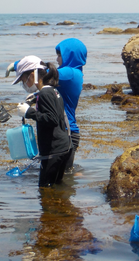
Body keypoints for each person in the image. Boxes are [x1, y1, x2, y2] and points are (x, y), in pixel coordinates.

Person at [6, 38, 87, 171]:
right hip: (64, 129)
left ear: (71, 54)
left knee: (62, 175)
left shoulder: (70, 73)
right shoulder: (70, 74)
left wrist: (17, 65)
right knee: (65, 173)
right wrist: (36, 96)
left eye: (60, 55)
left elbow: (42, 71)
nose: (57, 59)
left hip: (67, 131)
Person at [12, 56, 72, 187]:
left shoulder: (45, 94)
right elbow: (56, 114)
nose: (24, 85)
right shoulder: (52, 91)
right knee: (57, 187)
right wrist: (35, 98)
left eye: (24, 80)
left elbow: (52, 119)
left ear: (33, 75)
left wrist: (29, 112)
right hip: (62, 147)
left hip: (53, 151)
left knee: (45, 189)